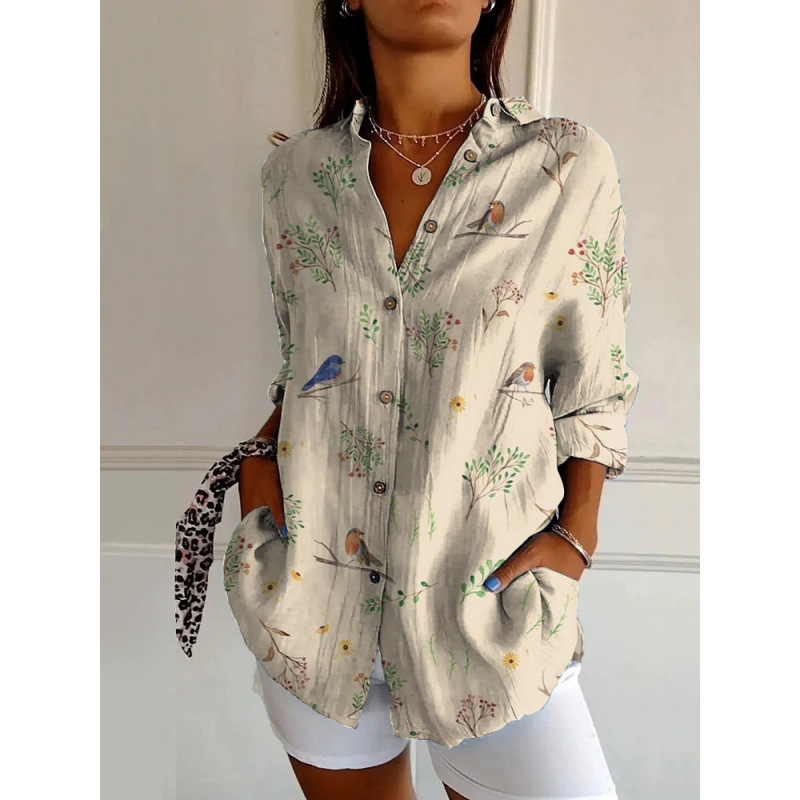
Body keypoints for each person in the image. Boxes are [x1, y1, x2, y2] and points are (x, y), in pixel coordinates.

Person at [179, 1, 639, 798]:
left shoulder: (566, 164)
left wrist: (578, 536)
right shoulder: (294, 179)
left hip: (490, 617)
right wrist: (258, 474)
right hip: (315, 609)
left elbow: (592, 385)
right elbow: (306, 366)